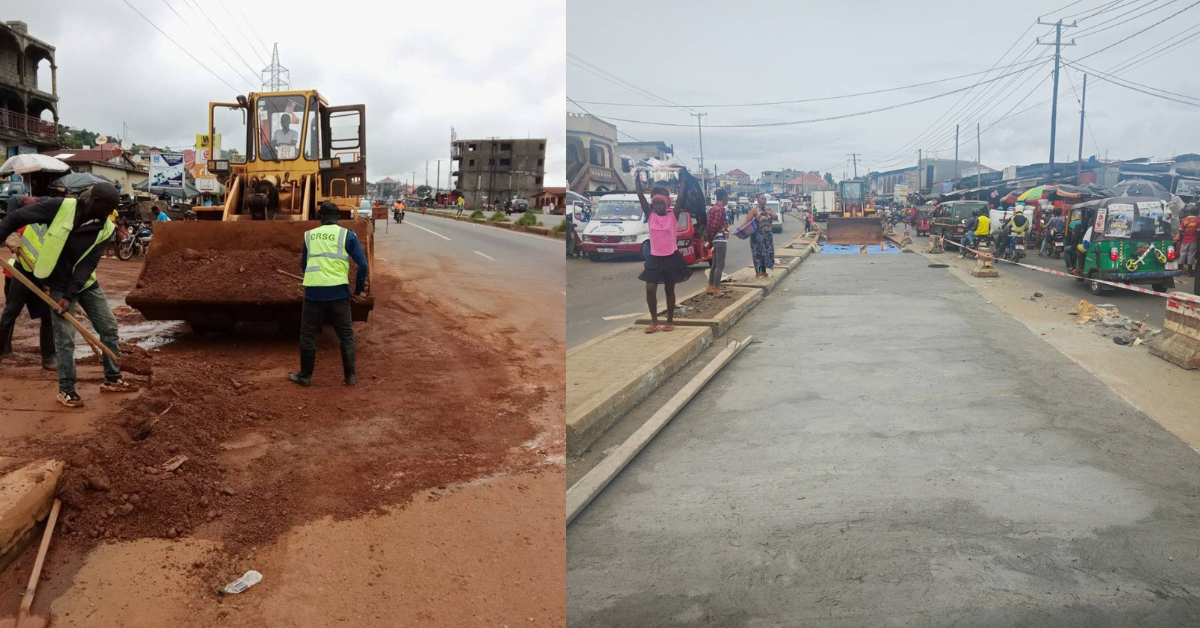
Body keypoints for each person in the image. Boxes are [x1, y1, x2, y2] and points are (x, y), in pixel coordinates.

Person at [0, 182, 135, 407]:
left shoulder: (106, 228)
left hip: (84, 283)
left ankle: (112, 378)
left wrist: (71, 296)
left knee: (109, 327)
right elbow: (17, 217)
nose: (110, 213)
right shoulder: (61, 207)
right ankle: (67, 390)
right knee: (65, 337)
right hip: (58, 282)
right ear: (95, 201)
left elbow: (87, 265)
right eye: (108, 207)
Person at [290, 202, 370, 387]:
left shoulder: (309, 236)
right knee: (346, 337)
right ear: (338, 217)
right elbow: (363, 265)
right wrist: (357, 290)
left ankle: (305, 377)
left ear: (321, 217)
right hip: (339, 294)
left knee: (308, 336)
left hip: (313, 295)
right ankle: (350, 377)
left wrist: (315, 278)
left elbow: (304, 265)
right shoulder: (347, 235)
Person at [635, 173, 690, 333]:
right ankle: (654, 321)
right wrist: (637, 179)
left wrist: (682, 181)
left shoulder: (673, 217)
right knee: (650, 288)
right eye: (655, 204)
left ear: (666, 204)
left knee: (669, 290)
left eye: (661, 204)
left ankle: (670, 320)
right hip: (655, 257)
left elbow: (680, 198)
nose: (658, 206)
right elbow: (640, 196)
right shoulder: (650, 216)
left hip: (670, 257)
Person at [0, 225, 56, 370]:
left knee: (48, 316)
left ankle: (49, 358)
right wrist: (10, 237)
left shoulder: (59, 230)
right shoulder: (29, 225)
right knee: (10, 313)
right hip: (22, 273)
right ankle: (2, 351)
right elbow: (8, 230)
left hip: (44, 277)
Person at [739, 194, 779, 278]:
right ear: (758, 200)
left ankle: (764, 272)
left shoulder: (769, 209)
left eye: (765, 199)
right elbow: (747, 221)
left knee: (766, 253)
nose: (763, 200)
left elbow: (776, 217)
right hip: (757, 237)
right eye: (762, 199)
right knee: (757, 254)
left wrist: (770, 213)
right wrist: (739, 230)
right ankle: (758, 272)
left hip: (767, 236)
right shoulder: (754, 210)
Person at [706, 189, 730, 297]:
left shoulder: (713, 209)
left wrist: (709, 240)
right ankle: (717, 289)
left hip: (715, 240)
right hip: (720, 239)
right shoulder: (720, 210)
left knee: (714, 265)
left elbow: (709, 226)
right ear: (724, 197)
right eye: (727, 197)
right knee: (720, 265)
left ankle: (710, 287)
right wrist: (710, 239)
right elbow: (714, 226)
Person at [1177, 207, 1200, 276]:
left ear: (1190, 212)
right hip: (1193, 240)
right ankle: (1189, 271)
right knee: (1191, 255)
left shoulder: (1184, 220)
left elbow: (1180, 231)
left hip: (1184, 240)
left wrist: (1181, 240)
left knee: (1183, 254)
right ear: (1197, 213)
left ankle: (1180, 269)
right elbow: (1198, 232)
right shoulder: (1198, 221)